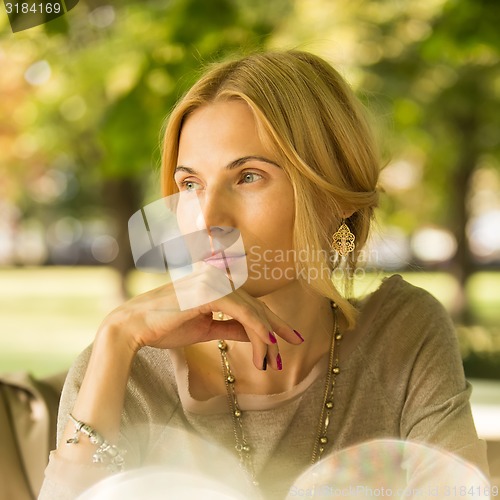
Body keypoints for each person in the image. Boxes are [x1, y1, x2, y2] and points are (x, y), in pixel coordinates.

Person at [39, 50, 489, 499]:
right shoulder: (125, 367)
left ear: (338, 197)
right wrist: (115, 339)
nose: (207, 216)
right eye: (190, 184)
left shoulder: (403, 335)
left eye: (249, 176)